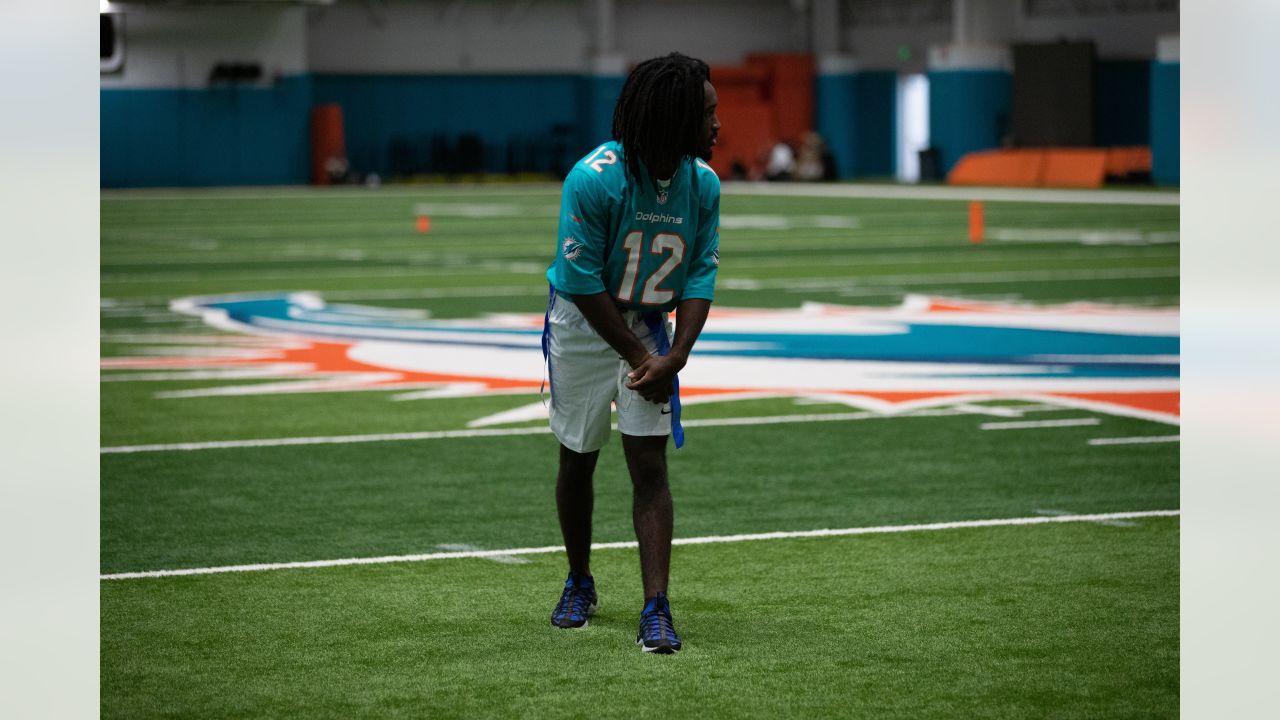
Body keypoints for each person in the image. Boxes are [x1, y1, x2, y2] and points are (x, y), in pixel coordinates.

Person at [541, 52, 721, 654]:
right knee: (579, 456)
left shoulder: (702, 184)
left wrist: (677, 357)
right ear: (675, 118)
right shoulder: (594, 178)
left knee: (649, 466)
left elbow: (699, 272)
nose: (718, 126)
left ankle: (656, 606)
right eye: (708, 114)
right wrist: (636, 357)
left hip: (648, 323)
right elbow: (581, 279)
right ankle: (580, 580)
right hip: (584, 324)